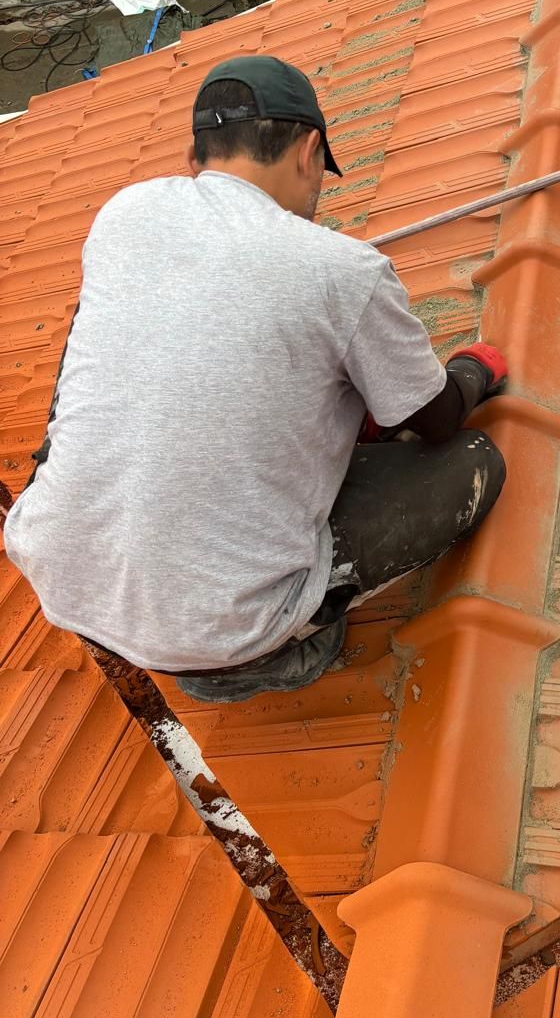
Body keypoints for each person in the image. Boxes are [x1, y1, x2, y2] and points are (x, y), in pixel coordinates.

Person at [4, 56, 508, 702]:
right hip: (222, 629)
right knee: (474, 464)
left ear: (196, 156)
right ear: (309, 151)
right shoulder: (342, 269)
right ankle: (270, 650)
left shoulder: (123, 215)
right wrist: (472, 370)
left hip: (65, 576)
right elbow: (434, 419)